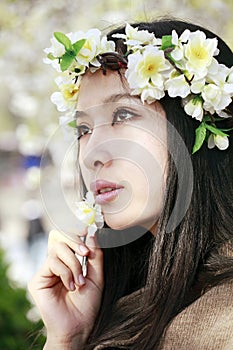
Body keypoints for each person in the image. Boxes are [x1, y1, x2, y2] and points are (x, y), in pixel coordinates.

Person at [28, 18, 233, 349]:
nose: (91, 153)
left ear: (196, 128)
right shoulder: (130, 308)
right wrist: (67, 337)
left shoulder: (223, 323)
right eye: (83, 130)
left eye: (123, 115)